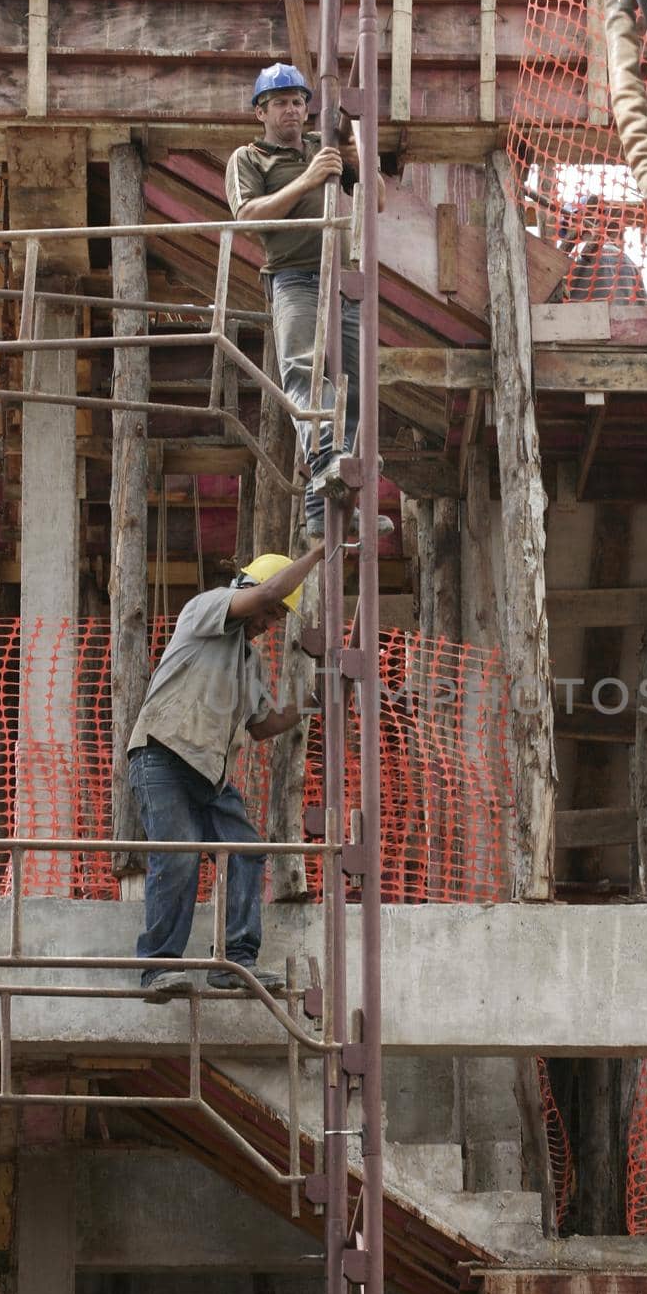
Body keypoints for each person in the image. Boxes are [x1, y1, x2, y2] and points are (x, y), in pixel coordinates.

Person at [127, 540, 333, 1001]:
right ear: (252, 587)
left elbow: (261, 726)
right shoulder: (208, 607)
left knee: (247, 850)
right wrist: (318, 553)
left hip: (208, 773)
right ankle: (158, 967)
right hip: (162, 754)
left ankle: (235, 962)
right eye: (273, 612)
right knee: (178, 855)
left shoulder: (250, 661)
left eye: (278, 617)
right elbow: (259, 599)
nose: (269, 623)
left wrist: (314, 702)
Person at [225, 62, 392, 542]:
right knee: (302, 372)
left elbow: (375, 199)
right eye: (280, 104)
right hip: (294, 278)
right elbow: (247, 216)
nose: (292, 111)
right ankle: (330, 457)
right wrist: (306, 181)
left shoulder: (325, 148)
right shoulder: (249, 159)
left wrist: (359, 145)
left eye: (298, 102)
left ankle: (328, 507)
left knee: (353, 387)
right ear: (261, 112)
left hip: (340, 278)